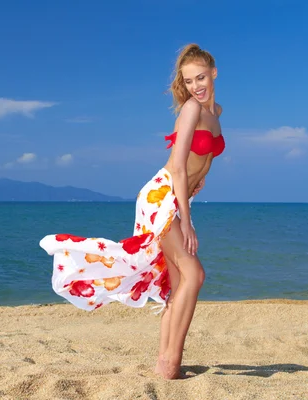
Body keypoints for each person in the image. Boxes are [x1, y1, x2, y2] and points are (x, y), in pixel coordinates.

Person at [39, 43, 224, 380]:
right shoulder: (191, 110)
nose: (197, 86)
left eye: (201, 78)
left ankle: (164, 366)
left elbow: (202, 161)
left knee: (180, 281)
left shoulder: (215, 112)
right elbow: (179, 168)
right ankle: (171, 364)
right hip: (162, 195)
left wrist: (203, 182)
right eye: (189, 81)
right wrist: (189, 221)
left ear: (214, 73)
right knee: (194, 275)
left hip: (178, 194)